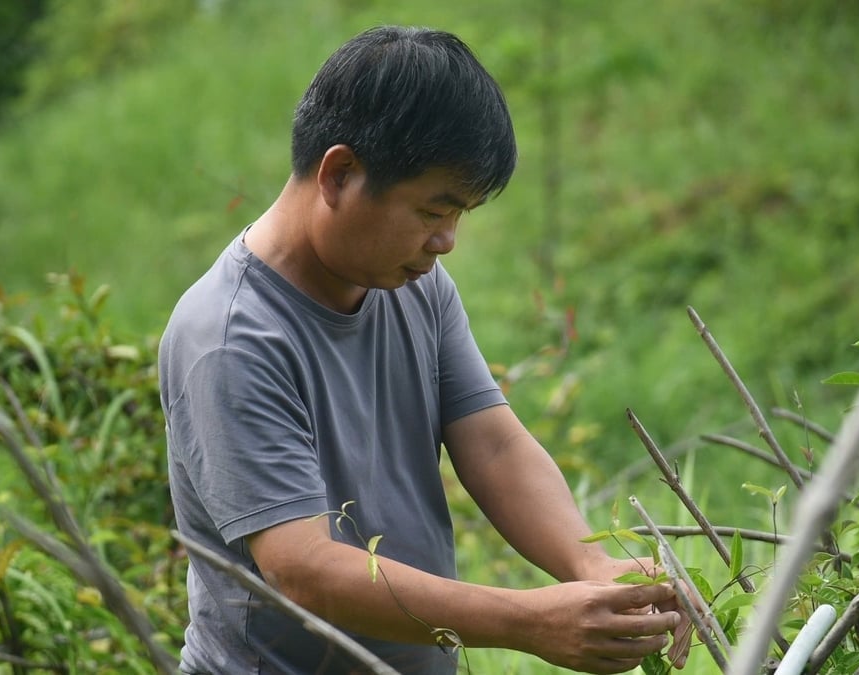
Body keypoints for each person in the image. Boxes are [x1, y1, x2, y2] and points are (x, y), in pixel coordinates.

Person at [159, 25, 690, 674]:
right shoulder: (231, 337)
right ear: (341, 174)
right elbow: (305, 569)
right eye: (434, 210)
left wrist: (590, 562)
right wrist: (528, 619)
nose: (447, 241)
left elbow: (492, 441)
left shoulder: (415, 284)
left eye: (461, 213)